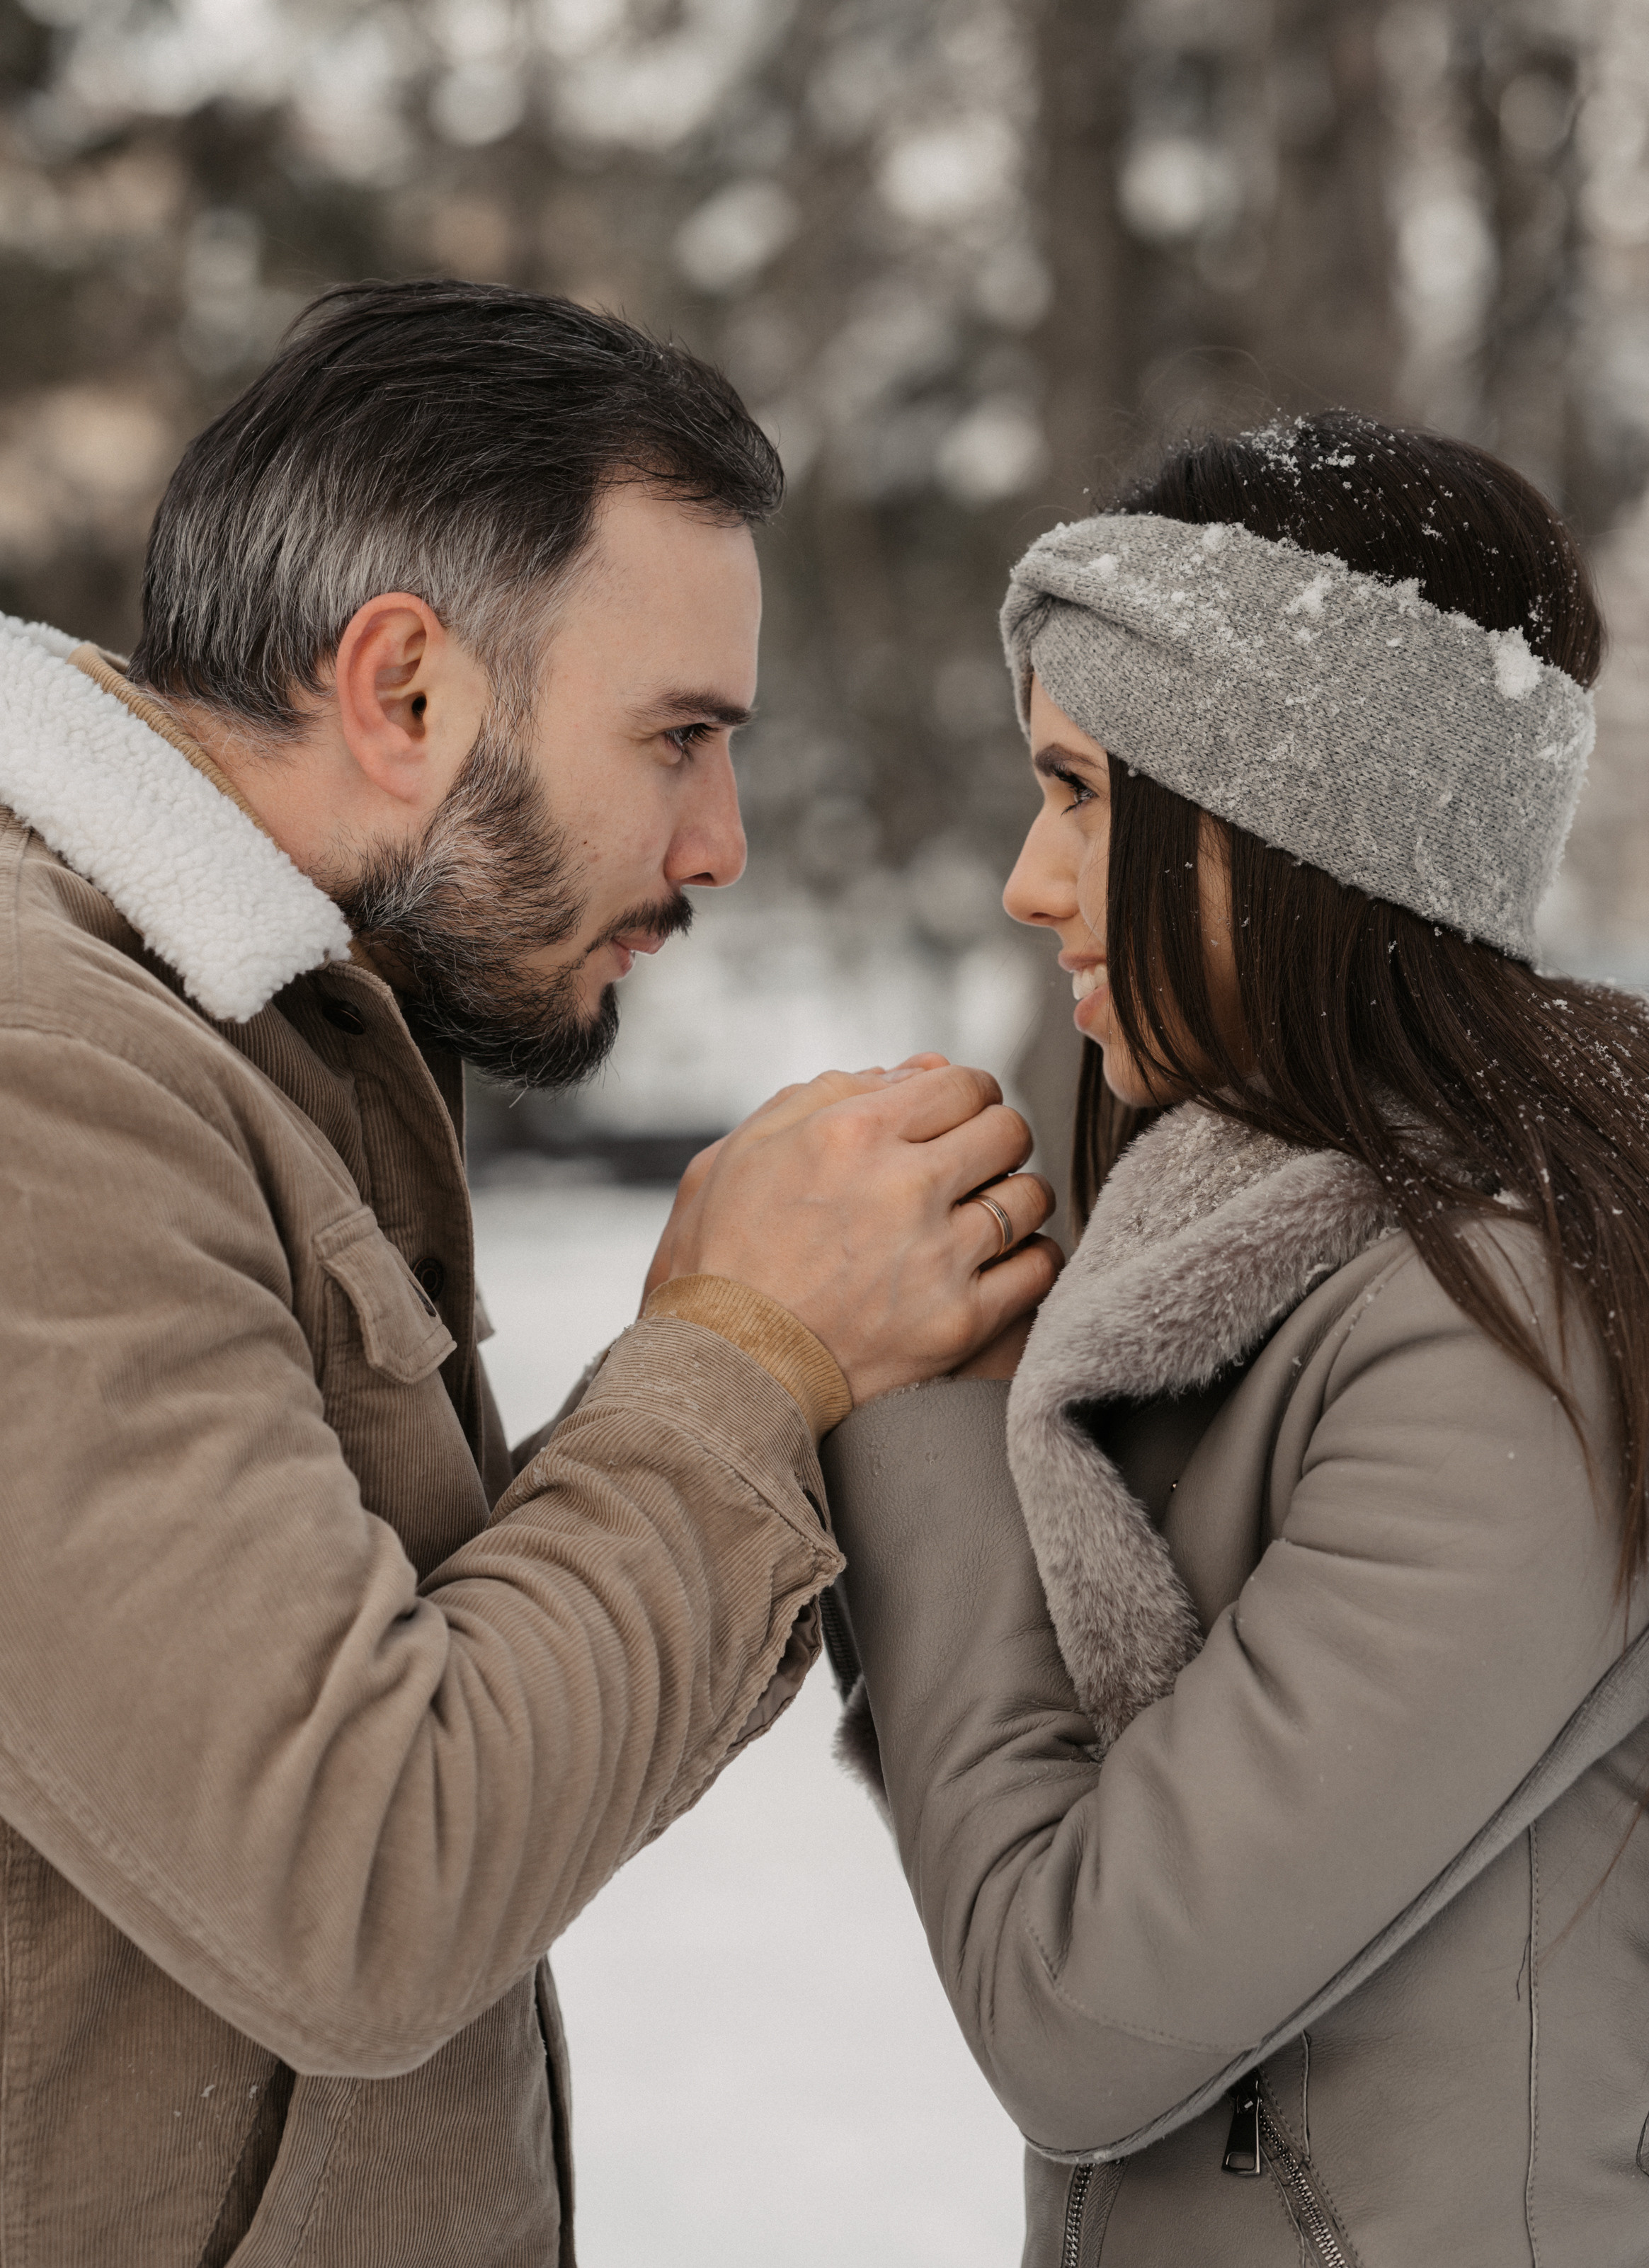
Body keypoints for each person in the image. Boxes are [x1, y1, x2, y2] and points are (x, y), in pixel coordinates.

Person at [0, 277, 1057, 2266]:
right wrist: (744, 1357)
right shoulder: (46, 1084)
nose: (722, 839)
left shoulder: (249, 1032)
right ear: (405, 689)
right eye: (676, 739)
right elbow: (365, 1871)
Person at [820, 413, 1649, 2267]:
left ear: (1291, 818)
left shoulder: (1502, 1330)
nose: (1033, 883)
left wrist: (907, 1397)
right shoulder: (1268, 1256)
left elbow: (1078, 2002)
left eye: (1081, 791)